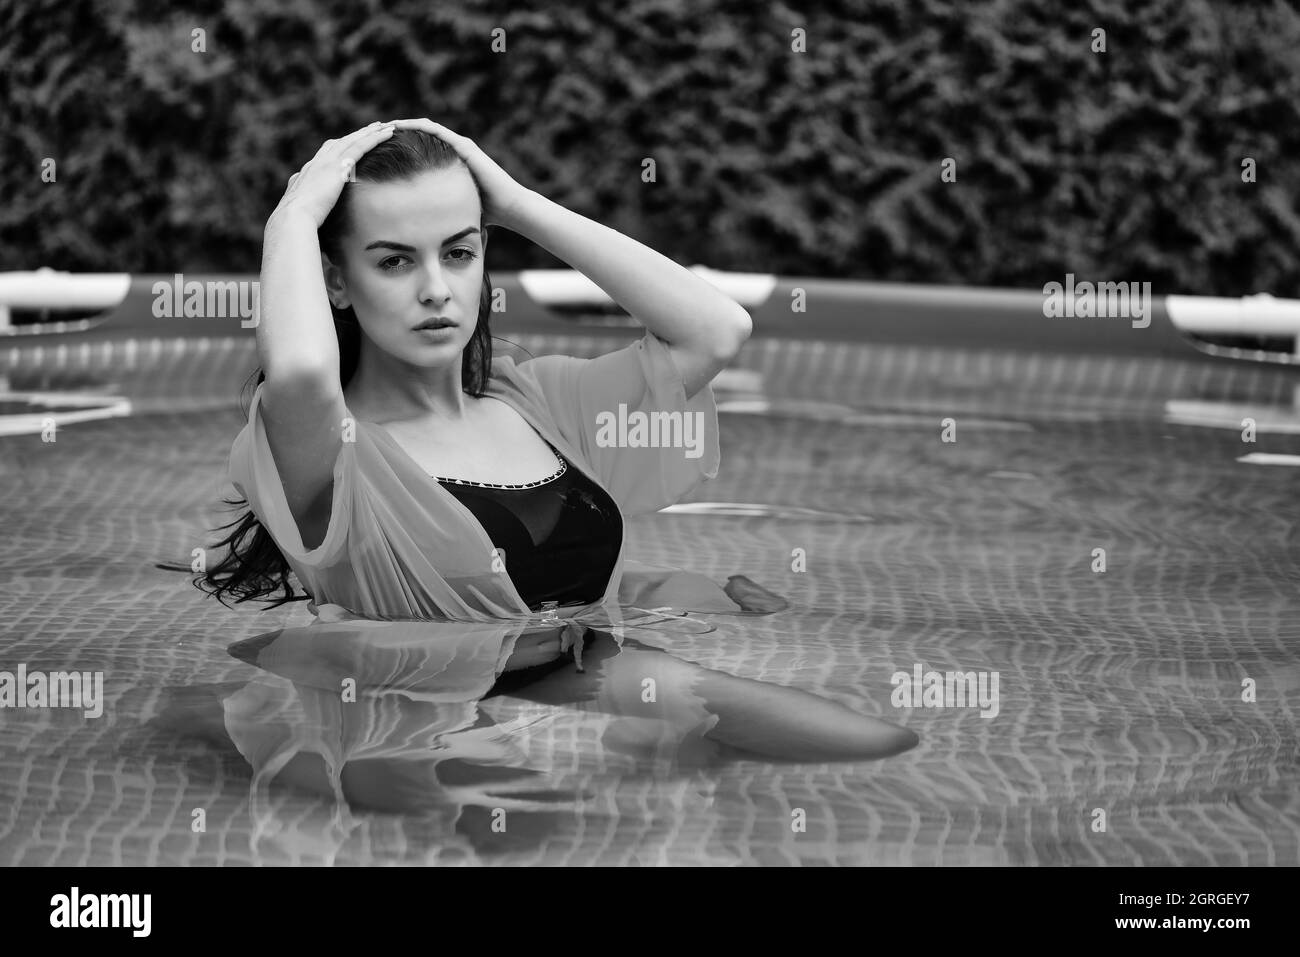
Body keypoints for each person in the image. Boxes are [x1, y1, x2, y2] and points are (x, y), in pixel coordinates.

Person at [183, 119, 918, 763]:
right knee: (548, 830)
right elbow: (304, 368)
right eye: (395, 260)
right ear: (337, 283)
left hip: (582, 662)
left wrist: (517, 205)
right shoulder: (327, 449)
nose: (437, 288)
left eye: (460, 252)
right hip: (409, 720)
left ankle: (670, 759)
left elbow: (717, 328)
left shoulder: (534, 400)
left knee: (875, 743)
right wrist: (291, 220)